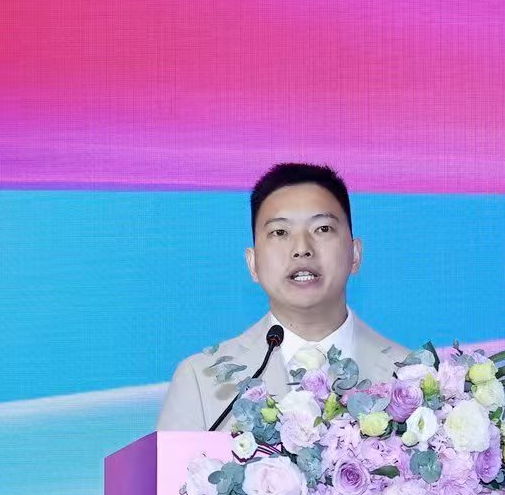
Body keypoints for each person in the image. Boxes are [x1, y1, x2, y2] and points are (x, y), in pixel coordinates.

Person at [157, 163, 409, 431]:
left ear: (355, 254)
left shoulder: (412, 377)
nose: (302, 248)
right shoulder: (201, 381)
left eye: (322, 229)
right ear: (253, 264)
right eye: (280, 232)